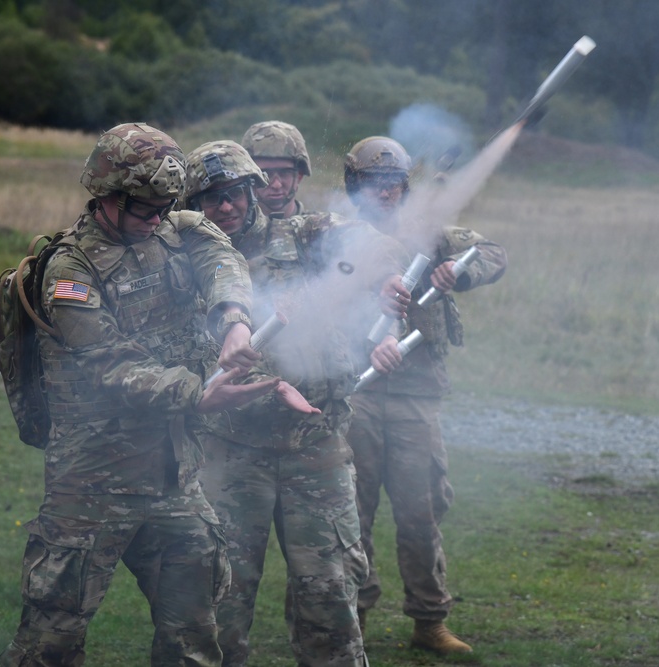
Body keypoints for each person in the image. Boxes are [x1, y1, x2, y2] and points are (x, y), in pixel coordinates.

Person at [0, 122, 304, 667]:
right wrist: (198, 395)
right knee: (51, 638)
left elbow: (223, 261)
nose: (157, 218)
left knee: (194, 636)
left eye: (165, 205)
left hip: (173, 478)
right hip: (91, 485)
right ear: (108, 198)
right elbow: (108, 366)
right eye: (145, 209)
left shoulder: (178, 227)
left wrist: (234, 320)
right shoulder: (70, 270)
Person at [185, 137, 409, 667]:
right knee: (217, 598)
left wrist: (389, 280)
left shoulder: (305, 232)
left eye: (236, 192)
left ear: (252, 191)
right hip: (231, 450)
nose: (226, 206)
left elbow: (370, 244)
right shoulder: (183, 255)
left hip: (315, 446)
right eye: (211, 196)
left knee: (331, 593)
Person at [344, 136, 507, 654]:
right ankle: (354, 618)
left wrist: (457, 272)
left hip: (415, 395)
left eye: (393, 184)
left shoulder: (429, 232)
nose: (385, 194)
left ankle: (429, 622)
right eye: (374, 184)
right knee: (353, 512)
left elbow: (493, 253)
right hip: (356, 392)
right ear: (355, 186)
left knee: (421, 510)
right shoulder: (335, 236)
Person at [240, 120, 312, 219]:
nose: (276, 185)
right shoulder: (228, 231)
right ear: (249, 178)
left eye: (285, 173)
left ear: (299, 176)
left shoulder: (322, 229)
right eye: (265, 174)